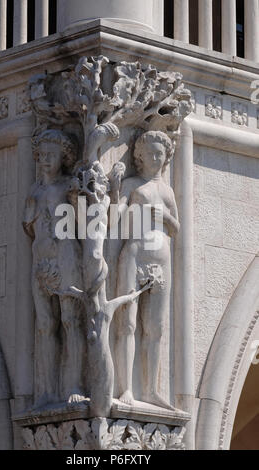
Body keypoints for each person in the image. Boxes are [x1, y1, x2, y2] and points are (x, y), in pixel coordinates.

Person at [115, 131, 180, 409]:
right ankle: (127, 387)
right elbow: (114, 219)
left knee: (155, 327)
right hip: (134, 254)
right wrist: (116, 189)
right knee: (127, 323)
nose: (155, 158)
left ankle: (151, 389)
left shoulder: (167, 191)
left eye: (160, 154)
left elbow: (176, 227)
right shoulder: (132, 184)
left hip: (162, 260)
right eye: (150, 153)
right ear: (139, 157)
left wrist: (163, 216)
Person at [23, 129, 85, 407]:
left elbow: (85, 222)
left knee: (70, 321)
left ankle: (73, 384)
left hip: (66, 256)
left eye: (52, 155)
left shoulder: (69, 185)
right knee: (45, 325)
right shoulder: (34, 190)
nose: (46, 160)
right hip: (41, 260)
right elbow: (28, 228)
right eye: (42, 155)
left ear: (64, 157)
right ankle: (46, 390)